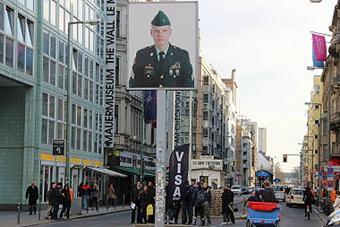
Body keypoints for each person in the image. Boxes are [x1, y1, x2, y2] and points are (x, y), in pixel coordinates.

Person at [129, 10, 193, 88]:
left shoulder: (182, 56)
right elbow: (133, 85)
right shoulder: (142, 55)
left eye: (164, 31)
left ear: (170, 32)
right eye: (156, 31)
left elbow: (189, 85)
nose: (160, 34)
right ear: (151, 32)